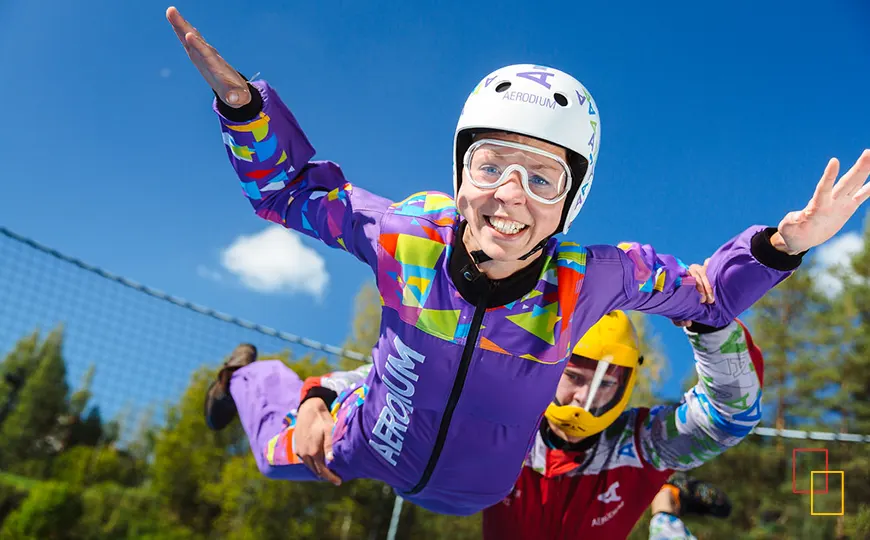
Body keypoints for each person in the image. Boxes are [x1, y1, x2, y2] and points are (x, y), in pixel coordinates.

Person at [166, 5, 870, 517]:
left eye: (542, 178)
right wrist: (246, 111)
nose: (509, 195)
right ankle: (247, 376)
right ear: (459, 172)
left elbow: (705, 294)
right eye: (490, 165)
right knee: (278, 455)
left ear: (572, 203)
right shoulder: (405, 237)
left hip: (480, 488)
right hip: (372, 439)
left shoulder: (590, 279)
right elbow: (291, 190)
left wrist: (784, 244)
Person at [480, 307, 760, 539]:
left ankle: (665, 504)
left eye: (605, 384)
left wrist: (711, 323)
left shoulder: (641, 443)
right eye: (574, 377)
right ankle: (665, 500)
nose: (584, 397)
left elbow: (728, 419)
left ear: (625, 385)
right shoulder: (499, 422)